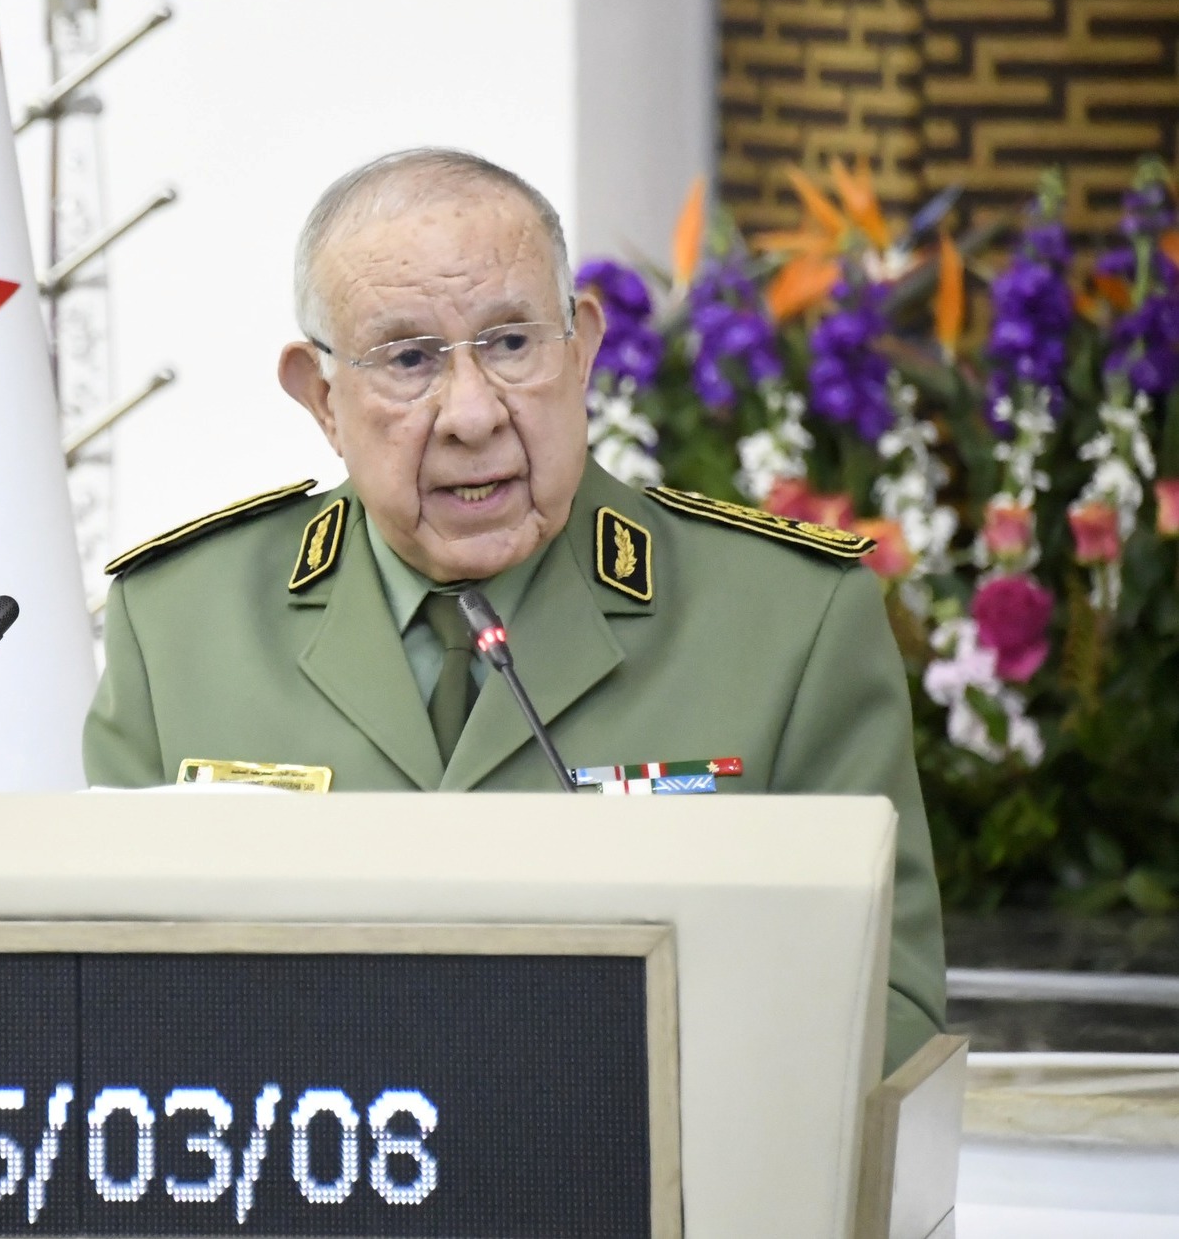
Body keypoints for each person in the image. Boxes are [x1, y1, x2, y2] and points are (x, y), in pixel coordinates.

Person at [83, 148, 946, 1074]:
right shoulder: (178, 627)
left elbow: (883, 1015)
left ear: (582, 349)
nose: (473, 414)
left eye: (510, 344)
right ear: (322, 399)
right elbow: (110, 1010)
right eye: (408, 359)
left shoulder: (789, 622)